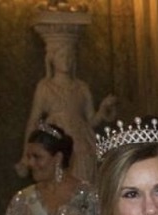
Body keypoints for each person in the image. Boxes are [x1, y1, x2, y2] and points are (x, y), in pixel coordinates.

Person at [17, 34, 116, 183]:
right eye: (62, 55)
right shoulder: (45, 87)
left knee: (83, 182)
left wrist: (103, 110)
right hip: (56, 139)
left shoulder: (82, 87)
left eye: (70, 56)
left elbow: (91, 121)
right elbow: (33, 121)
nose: (67, 60)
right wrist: (26, 155)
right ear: (52, 59)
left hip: (82, 142)